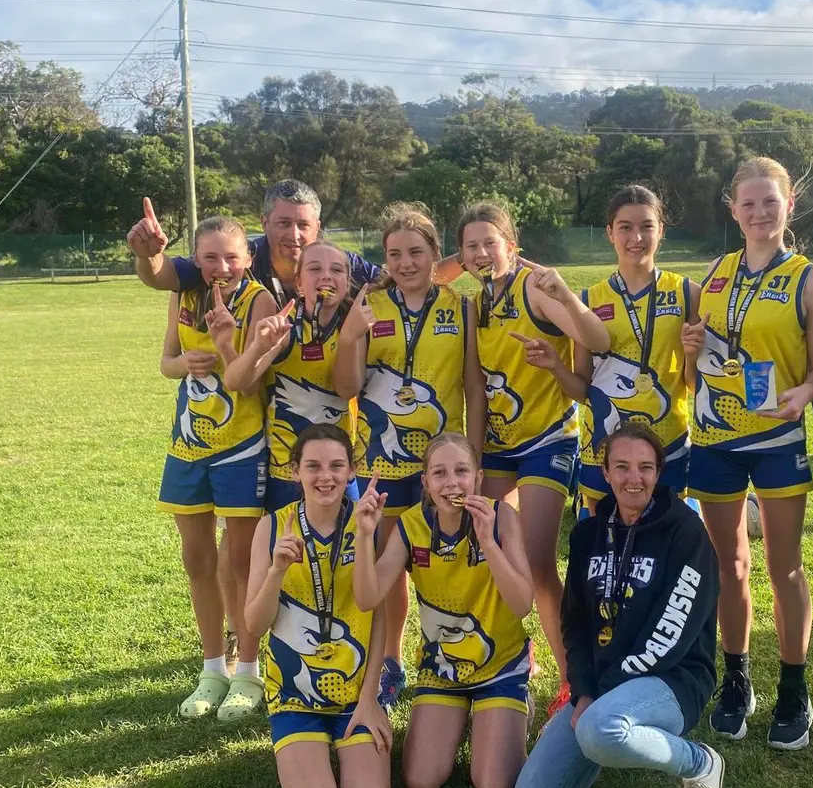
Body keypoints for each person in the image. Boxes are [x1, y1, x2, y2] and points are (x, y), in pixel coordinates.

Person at [681, 157, 813, 748]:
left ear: (789, 204)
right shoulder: (715, 272)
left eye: (770, 201)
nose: (760, 212)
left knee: (783, 566)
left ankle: (794, 687)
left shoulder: (811, 281)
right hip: (714, 439)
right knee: (729, 565)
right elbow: (698, 361)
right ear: (733, 209)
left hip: (776, 438)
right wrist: (691, 345)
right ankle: (737, 680)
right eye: (748, 203)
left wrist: (805, 393)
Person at [512, 424, 722, 788]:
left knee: (599, 727)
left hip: (673, 678)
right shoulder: (588, 534)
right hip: (602, 684)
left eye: (645, 467)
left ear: (659, 472)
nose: (634, 478)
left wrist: (602, 691)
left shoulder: (687, 533)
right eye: (622, 467)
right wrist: (583, 690)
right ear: (605, 472)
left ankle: (701, 764)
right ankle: (608, 738)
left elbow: (672, 632)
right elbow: (574, 622)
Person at [458, 200, 612, 718]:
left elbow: (597, 338)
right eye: (472, 246)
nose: (482, 253)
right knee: (489, 551)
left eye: (491, 242)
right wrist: (474, 459)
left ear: (512, 246)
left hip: (548, 440)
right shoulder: (473, 305)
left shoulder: (534, 289)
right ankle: (511, 655)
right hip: (498, 447)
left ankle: (573, 677)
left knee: (539, 560)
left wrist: (564, 293)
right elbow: (475, 389)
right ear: (461, 256)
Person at [335, 204, 486, 710]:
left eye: (416, 252)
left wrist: (474, 459)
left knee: (453, 558)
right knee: (389, 566)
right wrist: (351, 335)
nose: (405, 263)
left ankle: (461, 651)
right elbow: (347, 386)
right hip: (380, 462)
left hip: (443, 467)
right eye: (395, 254)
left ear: (435, 254)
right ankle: (391, 662)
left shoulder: (461, 306)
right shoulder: (369, 306)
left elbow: (472, 387)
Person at [353, 433, 533, 788]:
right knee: (420, 784)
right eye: (439, 473)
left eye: (461, 471)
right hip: (442, 669)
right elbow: (368, 598)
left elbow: (522, 605)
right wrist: (364, 535)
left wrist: (488, 543)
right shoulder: (411, 525)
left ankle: (518, 707)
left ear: (478, 478)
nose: (452, 483)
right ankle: (468, 720)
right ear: (426, 483)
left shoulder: (502, 517)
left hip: (499, 667)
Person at [244, 424, 392, 788]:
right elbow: (254, 624)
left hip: (354, 693)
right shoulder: (272, 527)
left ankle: (347, 745)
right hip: (295, 694)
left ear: (351, 471)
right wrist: (276, 570)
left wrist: (370, 698)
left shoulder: (366, 521)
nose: (325, 476)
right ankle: (309, 750)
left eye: (336, 466)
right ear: (295, 471)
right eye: (313, 466)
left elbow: (375, 614)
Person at [158, 215, 277, 722]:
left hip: (242, 447)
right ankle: (212, 669)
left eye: (231, 257)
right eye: (210, 257)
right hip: (188, 444)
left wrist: (226, 347)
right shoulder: (184, 295)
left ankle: (248, 671)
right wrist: (184, 364)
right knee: (196, 560)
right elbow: (166, 362)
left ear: (249, 257)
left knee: (244, 562)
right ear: (196, 260)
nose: (222, 267)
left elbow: (253, 381)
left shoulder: (261, 301)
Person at [126, 180, 473, 305]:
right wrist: (148, 256)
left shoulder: (340, 264)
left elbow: (410, 278)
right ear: (264, 223)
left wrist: (467, 256)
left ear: (317, 227)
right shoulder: (236, 259)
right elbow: (163, 277)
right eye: (283, 223)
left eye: (303, 225)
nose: (294, 235)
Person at [573, 186, 697, 511]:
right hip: (602, 445)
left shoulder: (687, 293)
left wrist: (693, 354)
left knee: (668, 535)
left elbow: (695, 383)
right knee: (603, 535)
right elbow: (582, 386)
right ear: (609, 233)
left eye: (646, 226)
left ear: (661, 231)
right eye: (625, 227)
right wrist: (554, 367)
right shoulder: (587, 300)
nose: (636, 237)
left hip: (668, 441)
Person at [225, 240, 358, 512]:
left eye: (336, 270)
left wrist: (351, 338)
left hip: (338, 468)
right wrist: (259, 347)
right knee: (285, 537)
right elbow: (235, 382)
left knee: (348, 536)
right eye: (315, 269)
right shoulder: (285, 327)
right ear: (299, 284)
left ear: (347, 283)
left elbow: (348, 389)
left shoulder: (355, 326)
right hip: (288, 467)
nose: (326, 276)